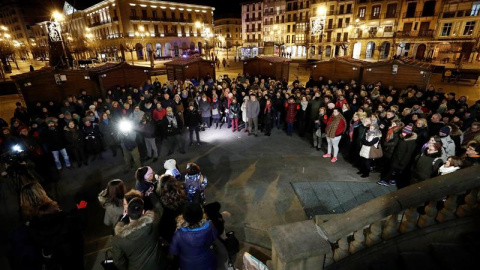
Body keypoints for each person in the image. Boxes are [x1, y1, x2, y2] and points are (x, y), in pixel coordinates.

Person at [20, 182, 87, 270]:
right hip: (71, 259)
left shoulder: (31, 227)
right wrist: (80, 210)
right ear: (41, 192)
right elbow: (75, 228)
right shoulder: (59, 215)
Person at [112, 197, 166, 270]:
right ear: (143, 212)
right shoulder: (153, 222)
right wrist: (151, 194)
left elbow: (118, 262)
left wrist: (121, 219)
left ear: (127, 212)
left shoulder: (118, 239)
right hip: (158, 265)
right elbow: (159, 209)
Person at [169, 203, 218, 270]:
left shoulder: (179, 234)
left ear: (184, 217)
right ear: (201, 215)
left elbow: (174, 251)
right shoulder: (210, 225)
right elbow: (214, 237)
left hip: (188, 265)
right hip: (207, 261)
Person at [378, 123, 418, 188]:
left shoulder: (411, 142)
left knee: (393, 170)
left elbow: (408, 153)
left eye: (405, 133)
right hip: (396, 157)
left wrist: (403, 162)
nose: (403, 134)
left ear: (409, 134)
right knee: (392, 170)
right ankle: (390, 180)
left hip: (401, 159)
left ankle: (386, 180)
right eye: (403, 132)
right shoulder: (402, 138)